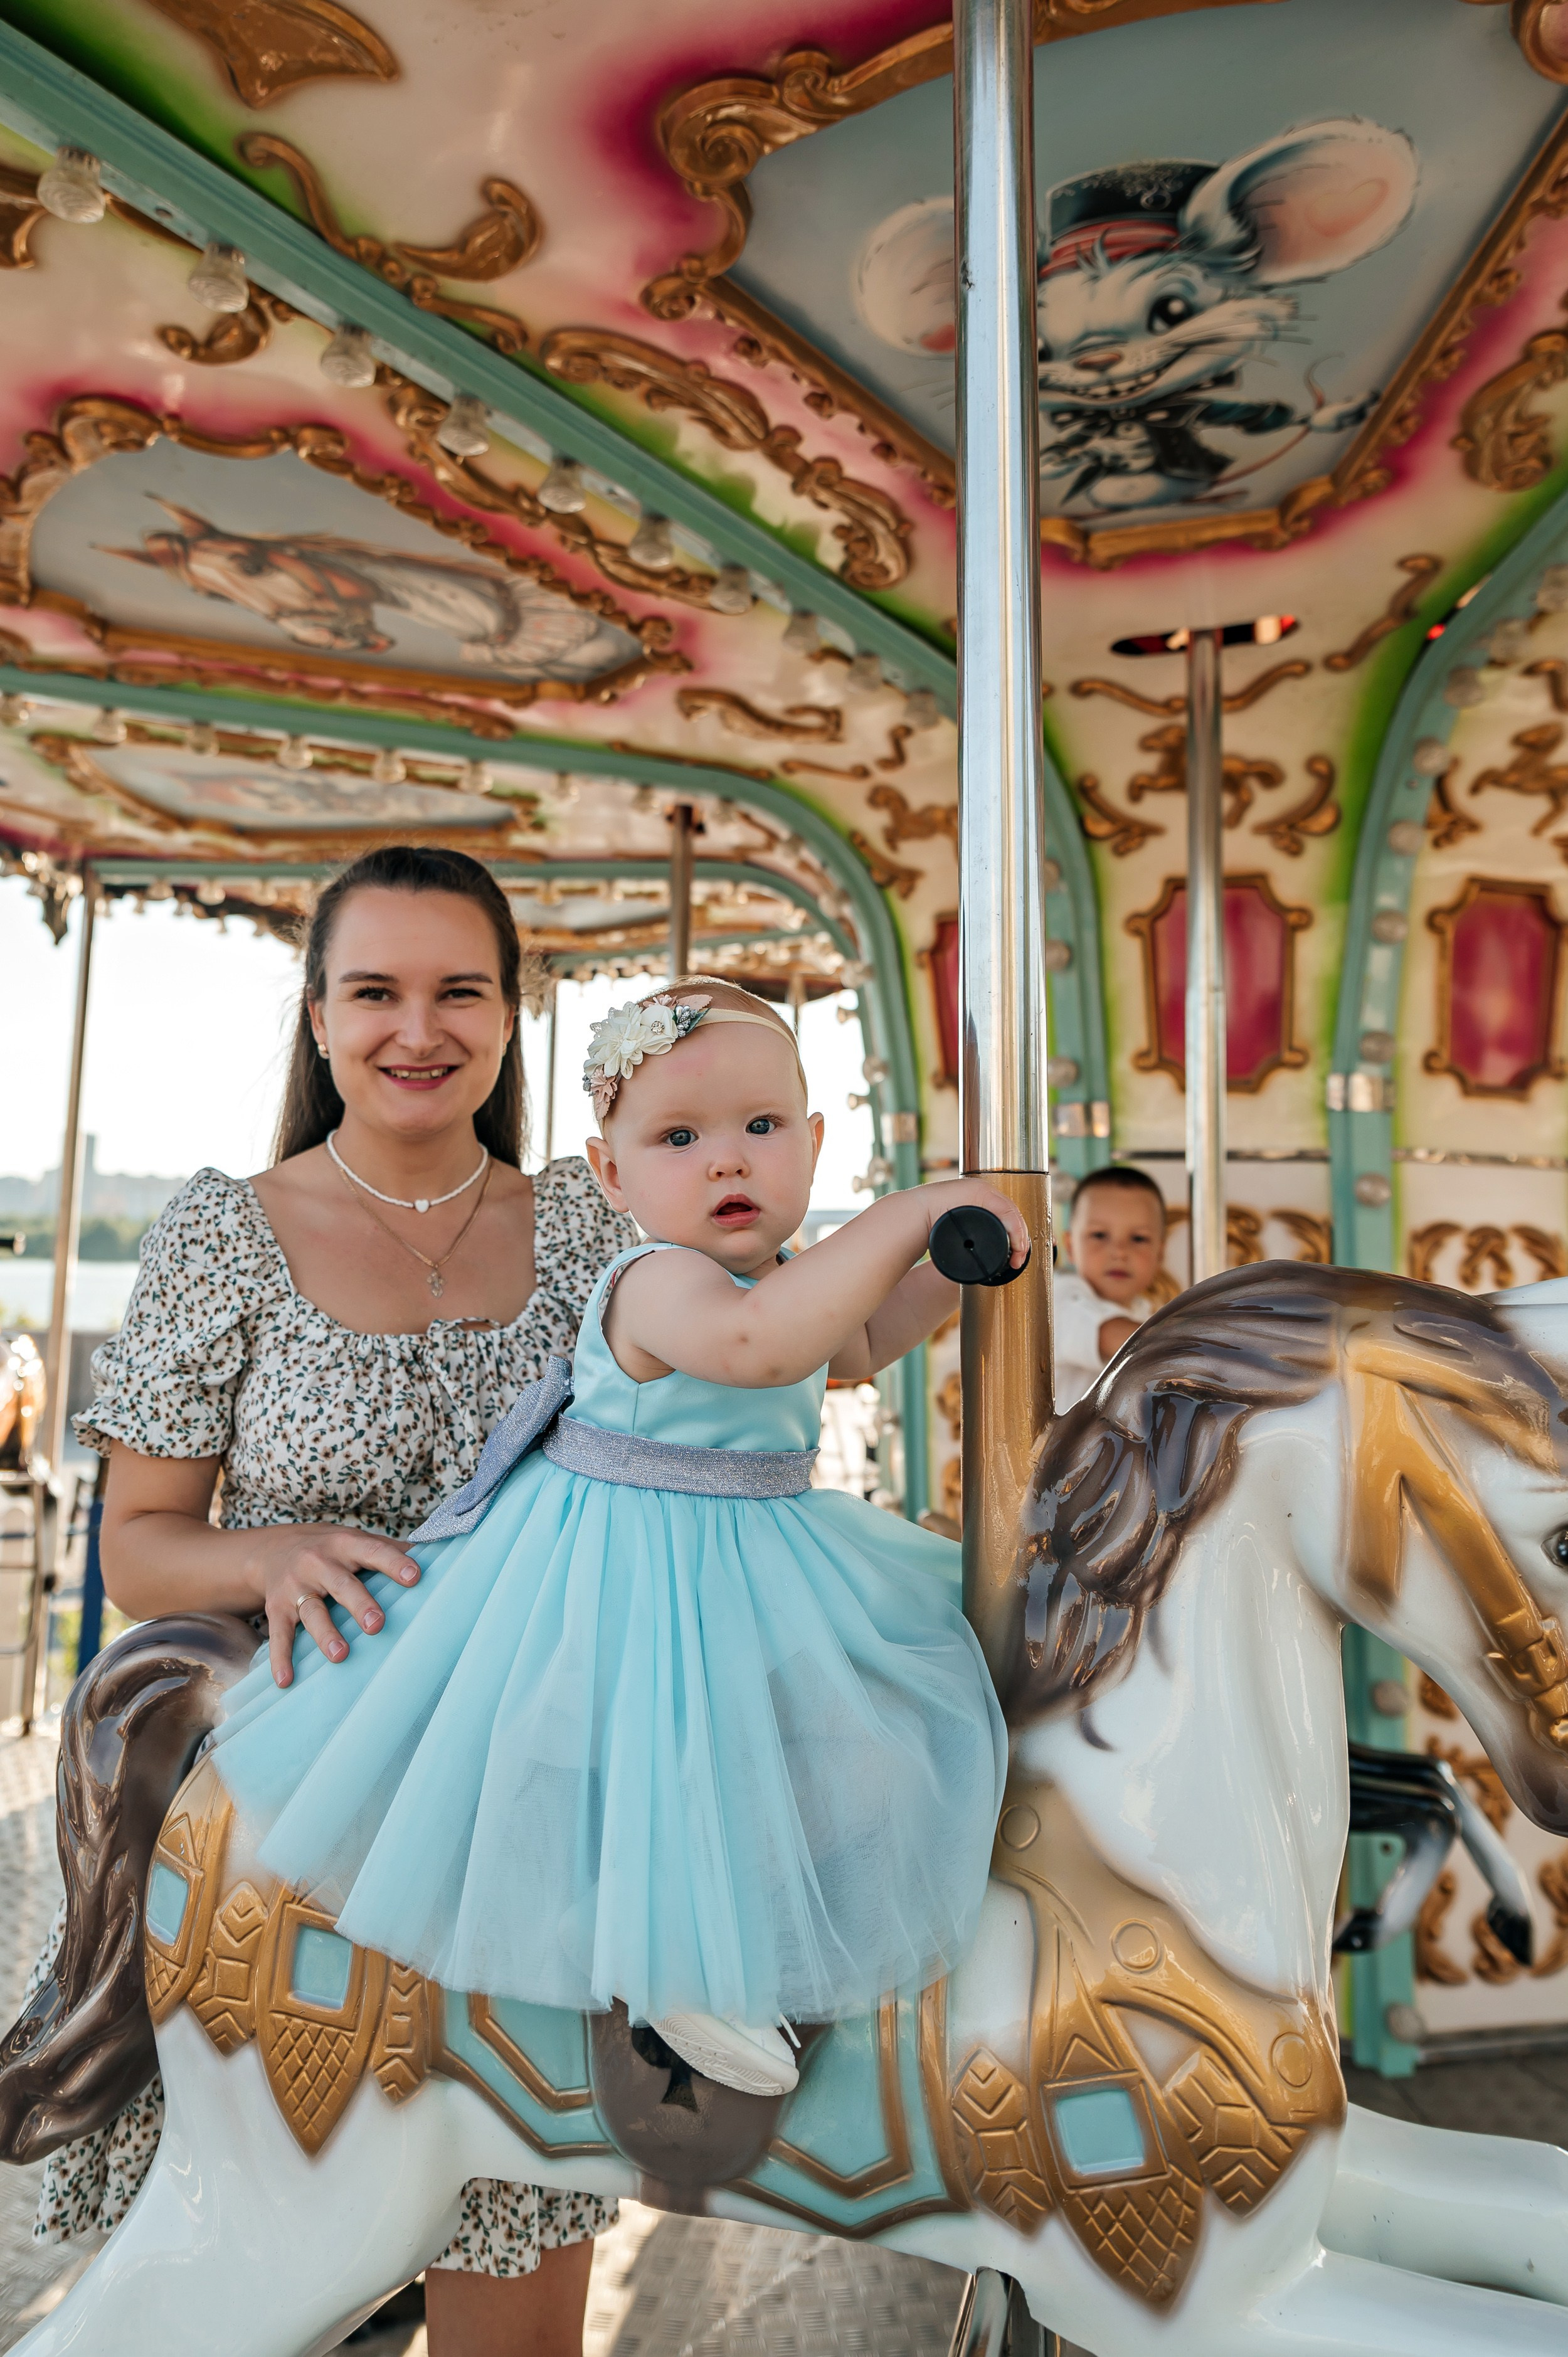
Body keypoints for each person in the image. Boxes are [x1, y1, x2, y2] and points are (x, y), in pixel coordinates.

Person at [31, 844, 637, 2357]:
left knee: (518, 2310)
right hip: (305, 1832)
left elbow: (762, 1344)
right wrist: (274, 1550)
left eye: (458, 990)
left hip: (524, 1822)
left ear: (515, 1014)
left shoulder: (585, 1228)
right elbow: (144, 1547)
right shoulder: (223, 1234)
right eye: (374, 989)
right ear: (317, 1017)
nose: (414, 1027)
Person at [209, 978, 1015, 2099]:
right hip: (636, 1572)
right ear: (615, 1174)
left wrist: (967, 1271)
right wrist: (909, 1213)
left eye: (761, 1128)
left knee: (861, 1731)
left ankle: (749, 1929)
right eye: (680, 1137)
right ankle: (675, 1965)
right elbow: (761, 1346)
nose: (727, 1161)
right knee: (689, 1752)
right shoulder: (660, 1280)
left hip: (745, 1547)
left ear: (815, 1143)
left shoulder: (774, 1272)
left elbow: (860, 1341)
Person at [1052, 1165, 1167, 1412]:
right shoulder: (1059, 1297)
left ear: (1160, 1252)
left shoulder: (1145, 1316)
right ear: (1071, 1246)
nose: (1119, 1252)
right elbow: (1113, 1336)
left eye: (1138, 1239)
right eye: (1100, 1235)